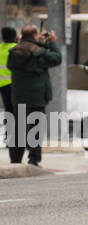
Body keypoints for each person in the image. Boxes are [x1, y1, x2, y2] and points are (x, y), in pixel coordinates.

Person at [6, 25, 61, 167]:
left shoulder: (14, 52)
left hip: (18, 97)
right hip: (36, 97)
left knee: (18, 128)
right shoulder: (40, 53)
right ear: (35, 35)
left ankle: (15, 160)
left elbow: (24, 50)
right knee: (35, 128)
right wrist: (51, 42)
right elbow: (57, 58)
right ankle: (34, 159)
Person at [0, 27, 15, 156]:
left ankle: (9, 137)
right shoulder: (16, 48)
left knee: (9, 111)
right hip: (15, 85)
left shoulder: (0, 48)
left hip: (2, 85)